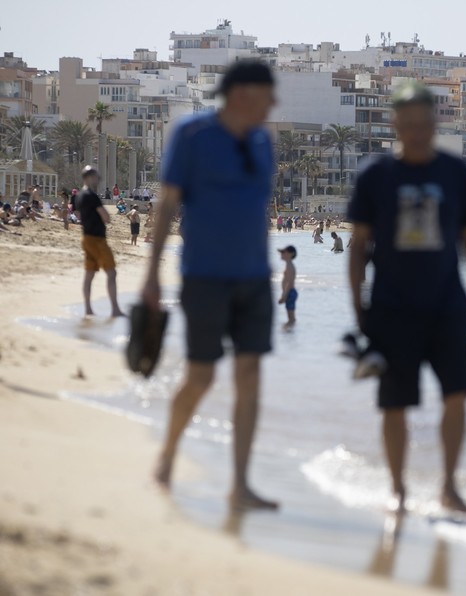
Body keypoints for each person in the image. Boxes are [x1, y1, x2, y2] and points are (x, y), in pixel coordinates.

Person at [142, 59, 279, 511]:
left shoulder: (264, 140)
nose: (273, 105)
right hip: (204, 276)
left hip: (256, 278)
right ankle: (166, 456)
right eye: (267, 95)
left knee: (251, 377)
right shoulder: (193, 134)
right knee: (200, 376)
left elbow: (259, 209)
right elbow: (166, 205)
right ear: (242, 94)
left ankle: (240, 484)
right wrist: (150, 275)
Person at [348, 82, 466, 513]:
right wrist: (359, 306)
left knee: (457, 395)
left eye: (423, 124)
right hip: (391, 308)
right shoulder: (376, 176)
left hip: (448, 305)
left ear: (434, 123)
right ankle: (397, 489)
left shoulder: (454, 172)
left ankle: (448, 486)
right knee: (395, 404)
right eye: (406, 124)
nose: (415, 132)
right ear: (395, 125)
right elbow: (358, 247)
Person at [77, 166, 124, 317]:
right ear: (90, 177)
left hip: (86, 237)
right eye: (97, 177)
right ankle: (115, 309)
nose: (98, 180)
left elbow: (79, 216)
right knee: (111, 272)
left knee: (89, 274)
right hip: (97, 239)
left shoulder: (79, 195)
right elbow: (106, 217)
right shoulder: (91, 195)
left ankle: (88, 309)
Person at [277, 245, 298, 329]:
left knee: (291, 319)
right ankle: (290, 333)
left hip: (290, 292)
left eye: (283, 252)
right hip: (289, 292)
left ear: (291, 254)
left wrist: (284, 296)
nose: (281, 254)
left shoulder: (289, 266)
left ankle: (290, 333)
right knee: (290, 318)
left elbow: (289, 283)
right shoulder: (288, 265)